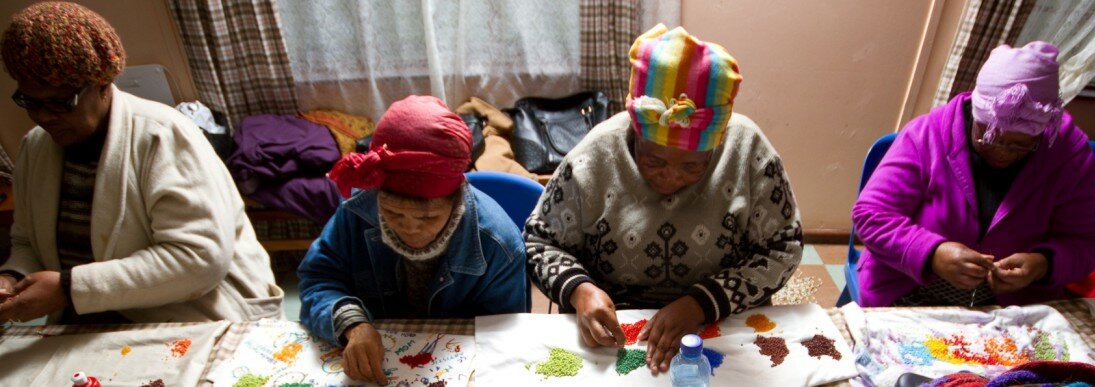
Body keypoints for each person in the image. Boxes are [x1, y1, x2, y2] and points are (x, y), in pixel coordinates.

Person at [525, 24, 803, 374]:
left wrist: (702, 303)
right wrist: (579, 290)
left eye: (692, 166)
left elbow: (784, 246)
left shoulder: (747, 152)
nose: (671, 177)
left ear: (715, 146)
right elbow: (540, 240)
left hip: (723, 320)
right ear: (635, 134)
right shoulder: (594, 156)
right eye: (654, 161)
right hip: (617, 327)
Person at [0, 2, 282, 324]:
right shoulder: (34, 147)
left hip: (192, 314)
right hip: (91, 316)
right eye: (30, 102)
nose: (44, 116)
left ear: (103, 83)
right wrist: (11, 277)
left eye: (62, 102)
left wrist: (69, 288)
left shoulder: (164, 136)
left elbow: (198, 260)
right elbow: (27, 242)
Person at [852, 41, 1095, 307]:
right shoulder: (927, 134)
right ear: (975, 113)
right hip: (908, 288)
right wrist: (932, 253)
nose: (1003, 152)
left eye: (1021, 145)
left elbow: (1087, 244)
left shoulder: (1069, 153)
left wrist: (1042, 265)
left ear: (1044, 132)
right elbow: (870, 215)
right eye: (988, 137)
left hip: (1011, 303)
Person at [299, 95, 529, 384]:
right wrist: (353, 323)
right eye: (393, 214)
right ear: (377, 197)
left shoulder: (499, 246)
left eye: (428, 218)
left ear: (455, 198)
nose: (410, 229)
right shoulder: (356, 214)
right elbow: (318, 278)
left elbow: (503, 337)